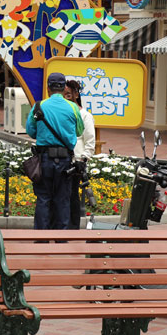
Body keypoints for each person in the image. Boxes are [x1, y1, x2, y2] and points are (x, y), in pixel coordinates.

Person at [25, 72, 82, 230]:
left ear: (48, 88)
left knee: (43, 198)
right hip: (65, 161)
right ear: (64, 88)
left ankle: (41, 237)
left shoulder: (39, 106)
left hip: (43, 160)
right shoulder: (73, 107)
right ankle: (61, 238)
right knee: (62, 199)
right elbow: (79, 131)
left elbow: (31, 131)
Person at [63, 79, 96, 230]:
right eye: (63, 94)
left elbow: (90, 141)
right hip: (61, 159)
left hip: (76, 161)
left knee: (72, 194)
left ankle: (73, 226)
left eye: (69, 94)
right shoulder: (61, 114)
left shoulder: (85, 115)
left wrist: (83, 159)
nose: (66, 97)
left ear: (76, 94)